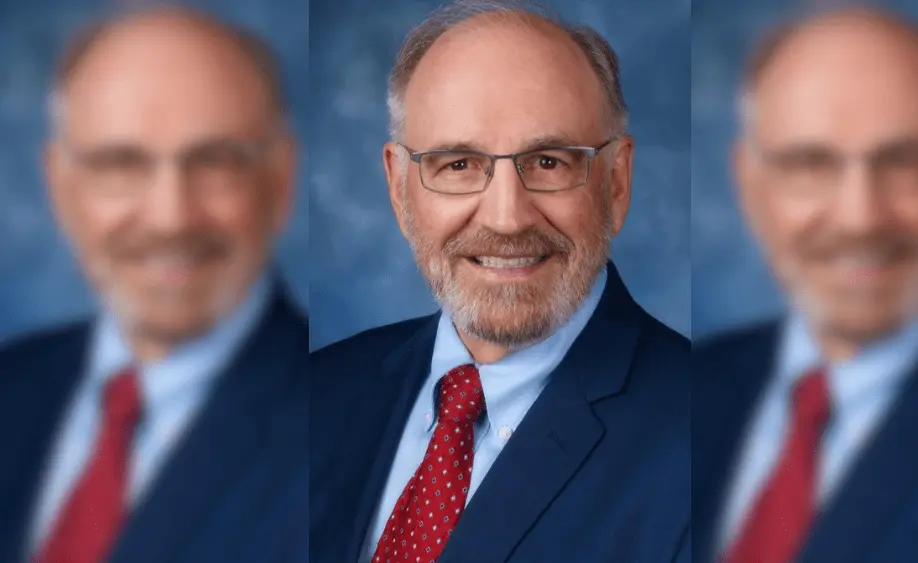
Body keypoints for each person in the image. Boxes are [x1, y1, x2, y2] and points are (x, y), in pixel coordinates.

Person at [309, 2, 691, 562]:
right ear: (398, 187)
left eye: (550, 162)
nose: (506, 218)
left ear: (616, 183)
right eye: (458, 164)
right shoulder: (317, 396)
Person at [693, 8, 918, 563]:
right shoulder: (689, 391)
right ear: (750, 186)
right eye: (810, 164)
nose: (860, 217)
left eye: (904, 161)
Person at [0, 8, 306, 563]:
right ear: (61, 187)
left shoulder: (345, 430)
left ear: (280, 181)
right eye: (121, 164)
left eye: (215, 162)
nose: (170, 217)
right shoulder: (12, 387)